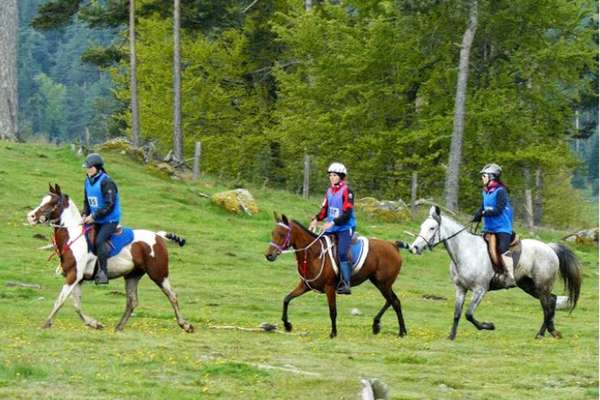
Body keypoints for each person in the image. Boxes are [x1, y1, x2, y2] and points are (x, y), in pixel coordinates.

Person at [309, 162, 356, 295]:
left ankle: (346, 283)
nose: (331, 177)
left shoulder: (347, 191)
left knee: (341, 253)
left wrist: (333, 222)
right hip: (331, 227)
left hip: (345, 228)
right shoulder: (329, 191)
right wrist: (317, 219)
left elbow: (347, 214)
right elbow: (325, 210)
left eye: (334, 175)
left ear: (341, 177)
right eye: (330, 175)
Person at [471, 163, 515, 286]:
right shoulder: (485, 192)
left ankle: (510, 276)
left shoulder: (501, 191)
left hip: (502, 228)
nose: (482, 178)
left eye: (484, 176)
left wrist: (485, 212)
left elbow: (498, 210)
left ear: (492, 176)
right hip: (489, 228)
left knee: (502, 250)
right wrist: (477, 216)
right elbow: (482, 207)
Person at [82, 153, 121, 285]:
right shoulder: (87, 181)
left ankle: (103, 273)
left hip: (109, 220)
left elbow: (109, 205)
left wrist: (93, 216)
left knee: (99, 241)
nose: (87, 169)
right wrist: (84, 214)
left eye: (90, 167)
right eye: (87, 167)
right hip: (96, 219)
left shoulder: (107, 182)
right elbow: (87, 201)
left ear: (97, 168)